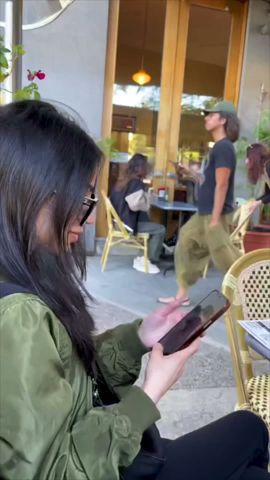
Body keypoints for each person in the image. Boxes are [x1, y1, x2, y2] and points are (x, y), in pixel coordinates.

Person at [0, 100, 269, 480]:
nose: (90, 215)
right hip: (105, 461)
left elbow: (70, 382)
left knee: (249, 439)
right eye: (82, 198)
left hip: (104, 445)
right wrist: (150, 391)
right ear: (30, 192)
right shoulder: (16, 315)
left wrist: (137, 337)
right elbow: (56, 471)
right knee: (252, 431)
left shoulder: (25, 275)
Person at [159, 100, 242, 305]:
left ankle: (253, 286)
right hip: (204, 212)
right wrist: (191, 174)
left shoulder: (224, 148)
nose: (206, 118)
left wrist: (215, 217)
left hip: (215, 213)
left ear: (223, 120)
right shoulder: (218, 148)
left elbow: (222, 184)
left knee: (225, 257)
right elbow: (209, 181)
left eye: (211, 115)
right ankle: (182, 296)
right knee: (185, 243)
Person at [110, 153, 165, 274]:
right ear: (140, 168)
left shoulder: (123, 180)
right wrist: (148, 198)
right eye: (146, 167)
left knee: (148, 222)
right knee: (160, 229)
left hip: (118, 222)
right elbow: (134, 205)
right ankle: (149, 259)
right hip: (127, 225)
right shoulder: (136, 183)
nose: (147, 170)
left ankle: (146, 256)